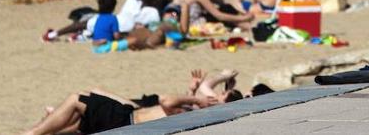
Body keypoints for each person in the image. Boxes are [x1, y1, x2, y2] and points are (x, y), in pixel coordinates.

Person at [18, 69, 240, 135]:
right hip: (129, 118)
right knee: (78, 118)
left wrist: (196, 96)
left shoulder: (208, 107)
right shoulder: (204, 111)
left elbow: (167, 101)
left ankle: (32, 133)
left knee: (78, 99)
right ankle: (44, 128)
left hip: (127, 120)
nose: (217, 95)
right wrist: (194, 91)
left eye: (223, 95)